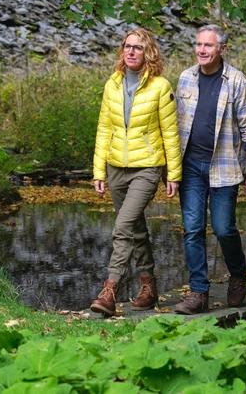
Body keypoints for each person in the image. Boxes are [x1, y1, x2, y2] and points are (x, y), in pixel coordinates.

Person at [90, 27, 182, 316]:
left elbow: (170, 133)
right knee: (135, 229)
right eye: (127, 46)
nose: (131, 51)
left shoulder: (160, 87)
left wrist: (173, 174)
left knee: (122, 227)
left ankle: (110, 290)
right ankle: (149, 286)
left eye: (138, 47)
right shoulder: (112, 84)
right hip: (116, 166)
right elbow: (104, 128)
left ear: (148, 52)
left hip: (147, 167)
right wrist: (99, 171)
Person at [173, 24, 246, 315]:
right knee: (193, 230)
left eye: (208, 46)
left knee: (224, 229)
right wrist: (170, 169)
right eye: (198, 44)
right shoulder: (185, 78)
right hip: (190, 168)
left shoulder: (236, 81)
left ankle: (238, 272)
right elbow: (173, 127)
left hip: (223, 167)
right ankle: (199, 293)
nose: (201, 50)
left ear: (222, 49)